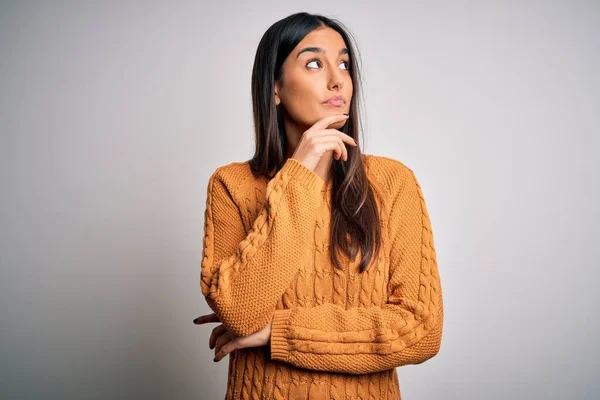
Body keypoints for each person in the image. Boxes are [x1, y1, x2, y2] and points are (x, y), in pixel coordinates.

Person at [193, 11, 444, 400]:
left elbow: (421, 329)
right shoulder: (232, 186)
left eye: (344, 64)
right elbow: (240, 312)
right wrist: (301, 171)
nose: (336, 78)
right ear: (274, 87)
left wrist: (278, 332)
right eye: (314, 63)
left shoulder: (393, 183)